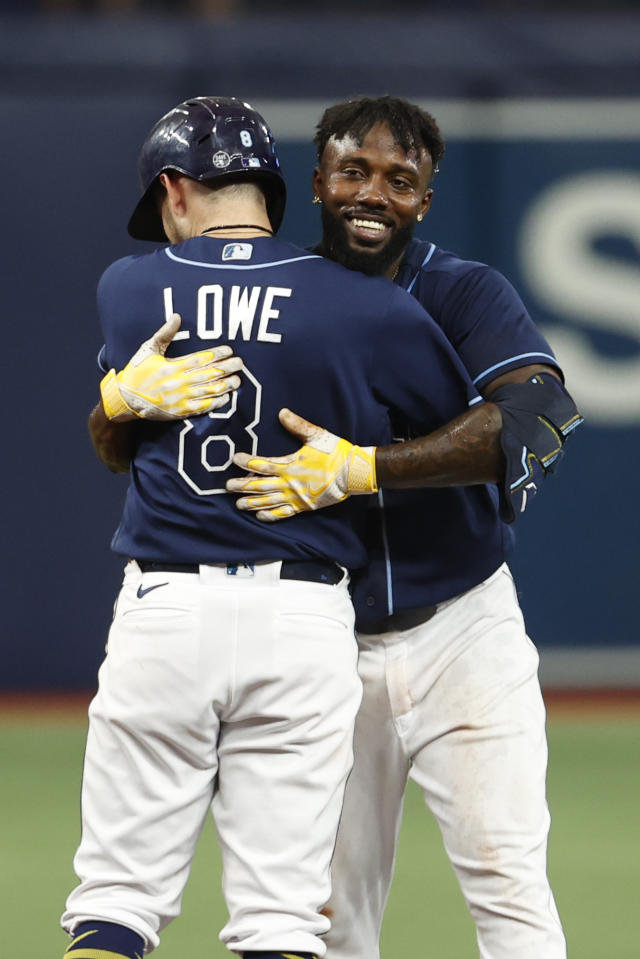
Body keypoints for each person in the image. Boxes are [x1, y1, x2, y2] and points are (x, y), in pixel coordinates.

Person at [61, 95, 483, 959]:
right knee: (282, 919)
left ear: (176, 190)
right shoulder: (364, 305)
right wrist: (364, 459)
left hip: (166, 609)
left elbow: (117, 444)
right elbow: (467, 431)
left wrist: (116, 397)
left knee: (115, 900)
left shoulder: (130, 288)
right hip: (302, 622)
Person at [228, 96, 581, 959]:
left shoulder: (462, 292)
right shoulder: (274, 303)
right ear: (317, 182)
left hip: (464, 626)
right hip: (322, 645)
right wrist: (118, 405)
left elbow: (533, 414)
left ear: (425, 198)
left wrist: (366, 466)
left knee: (508, 881)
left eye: (399, 179)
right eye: (353, 171)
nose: (372, 194)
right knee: (328, 914)